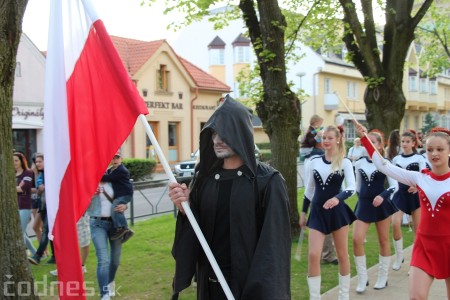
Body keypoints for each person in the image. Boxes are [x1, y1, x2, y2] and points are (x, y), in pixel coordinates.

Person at [168, 95, 291, 299]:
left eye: (225, 133)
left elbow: (273, 250)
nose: (217, 140)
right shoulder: (204, 180)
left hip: (249, 290)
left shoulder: (267, 182)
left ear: (241, 134)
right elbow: (197, 235)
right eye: (214, 132)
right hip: (209, 288)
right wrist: (185, 208)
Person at [355, 123, 450, 300]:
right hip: (424, 246)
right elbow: (384, 166)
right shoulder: (420, 177)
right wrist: (365, 138)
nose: (434, 153)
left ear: (448, 151)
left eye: (440, 149)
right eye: (430, 149)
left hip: (448, 244)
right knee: (416, 297)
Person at [301, 125, 356, 300]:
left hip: (337, 212)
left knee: (342, 254)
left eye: (330, 138)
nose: (326, 141)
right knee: (313, 254)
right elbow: (309, 190)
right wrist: (303, 212)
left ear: (338, 139)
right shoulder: (313, 162)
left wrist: (337, 198)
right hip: (317, 211)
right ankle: (315, 297)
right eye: (324, 137)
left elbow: (352, 188)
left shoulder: (345, 162)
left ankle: (343, 295)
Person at [352, 131, 397, 293]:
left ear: (380, 145)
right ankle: (362, 278)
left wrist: (382, 196)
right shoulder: (358, 163)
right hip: (364, 205)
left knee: (383, 240)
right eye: (366, 141)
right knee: (357, 239)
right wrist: (362, 197)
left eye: (372, 141)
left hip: (382, 205)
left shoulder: (384, 163)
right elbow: (356, 186)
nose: (368, 144)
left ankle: (383, 277)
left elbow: (394, 186)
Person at [390, 130, 426, 271]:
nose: (404, 144)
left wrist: (418, 187)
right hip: (400, 194)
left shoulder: (419, 158)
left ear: (413, 143)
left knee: (418, 230)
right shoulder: (396, 159)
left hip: (415, 195)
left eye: (407, 142)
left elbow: (423, 174)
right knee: (395, 223)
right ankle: (399, 256)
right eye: (403, 141)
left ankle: (415, 262)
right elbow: (392, 176)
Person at [88, 182, 127, 300]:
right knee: (103, 260)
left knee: (115, 260)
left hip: (115, 224)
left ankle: (110, 281)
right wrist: (90, 195)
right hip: (97, 223)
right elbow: (81, 204)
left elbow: (123, 199)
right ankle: (104, 294)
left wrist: (124, 206)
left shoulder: (113, 180)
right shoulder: (90, 181)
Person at [28, 153, 57, 265]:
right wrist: (40, 189)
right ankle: (54, 257)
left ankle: (38, 256)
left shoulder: (52, 173)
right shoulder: (40, 175)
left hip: (53, 207)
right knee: (48, 231)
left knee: (46, 230)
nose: (38, 164)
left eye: (40, 161)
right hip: (44, 206)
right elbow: (39, 191)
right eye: (36, 162)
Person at [101, 151, 134, 242]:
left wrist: (97, 176)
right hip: (121, 194)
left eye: (117, 158)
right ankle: (125, 231)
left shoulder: (121, 170)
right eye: (113, 158)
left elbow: (108, 178)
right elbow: (108, 174)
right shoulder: (111, 169)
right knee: (118, 209)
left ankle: (122, 228)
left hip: (125, 194)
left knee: (115, 208)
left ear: (121, 159)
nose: (115, 160)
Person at [14, 152, 37, 256]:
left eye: (16, 160)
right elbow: (17, 189)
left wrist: (12, 188)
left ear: (21, 161)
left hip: (24, 206)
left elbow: (22, 188)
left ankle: (22, 256)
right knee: (21, 232)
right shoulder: (11, 174)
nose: (14, 163)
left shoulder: (28, 172)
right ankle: (36, 254)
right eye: (12, 160)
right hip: (14, 207)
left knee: (19, 233)